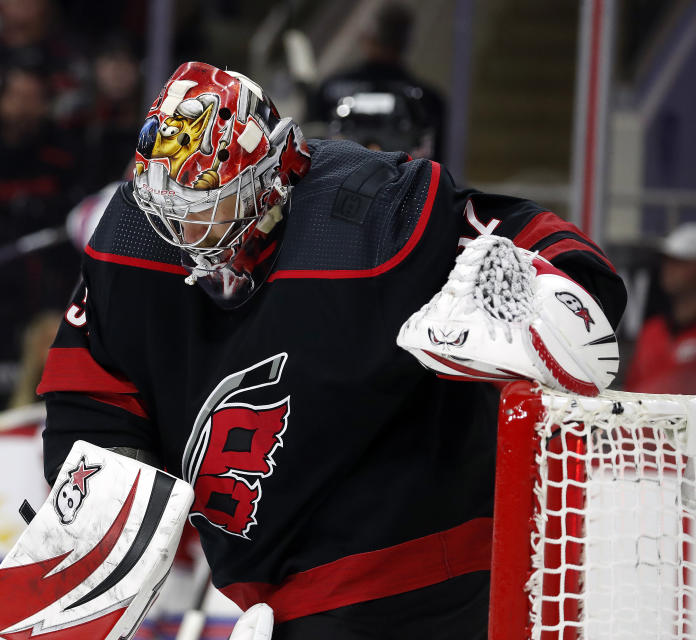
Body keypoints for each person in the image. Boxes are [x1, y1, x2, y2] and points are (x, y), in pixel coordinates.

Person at [35, 62, 626, 638]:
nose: (181, 228)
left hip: (418, 562)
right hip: (275, 584)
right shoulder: (134, 238)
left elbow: (520, 230)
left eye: (204, 205)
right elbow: (91, 383)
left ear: (268, 178)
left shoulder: (369, 210)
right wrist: (104, 498)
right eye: (167, 203)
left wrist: (566, 287)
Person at [310, 1, 446, 161]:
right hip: (404, 182)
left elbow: (310, 147)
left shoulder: (330, 89)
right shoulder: (428, 100)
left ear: (366, 37)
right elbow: (436, 164)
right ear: (407, 41)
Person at [624, 223, 696, 394]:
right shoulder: (652, 330)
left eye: (679, 262)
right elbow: (630, 393)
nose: (668, 269)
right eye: (667, 261)